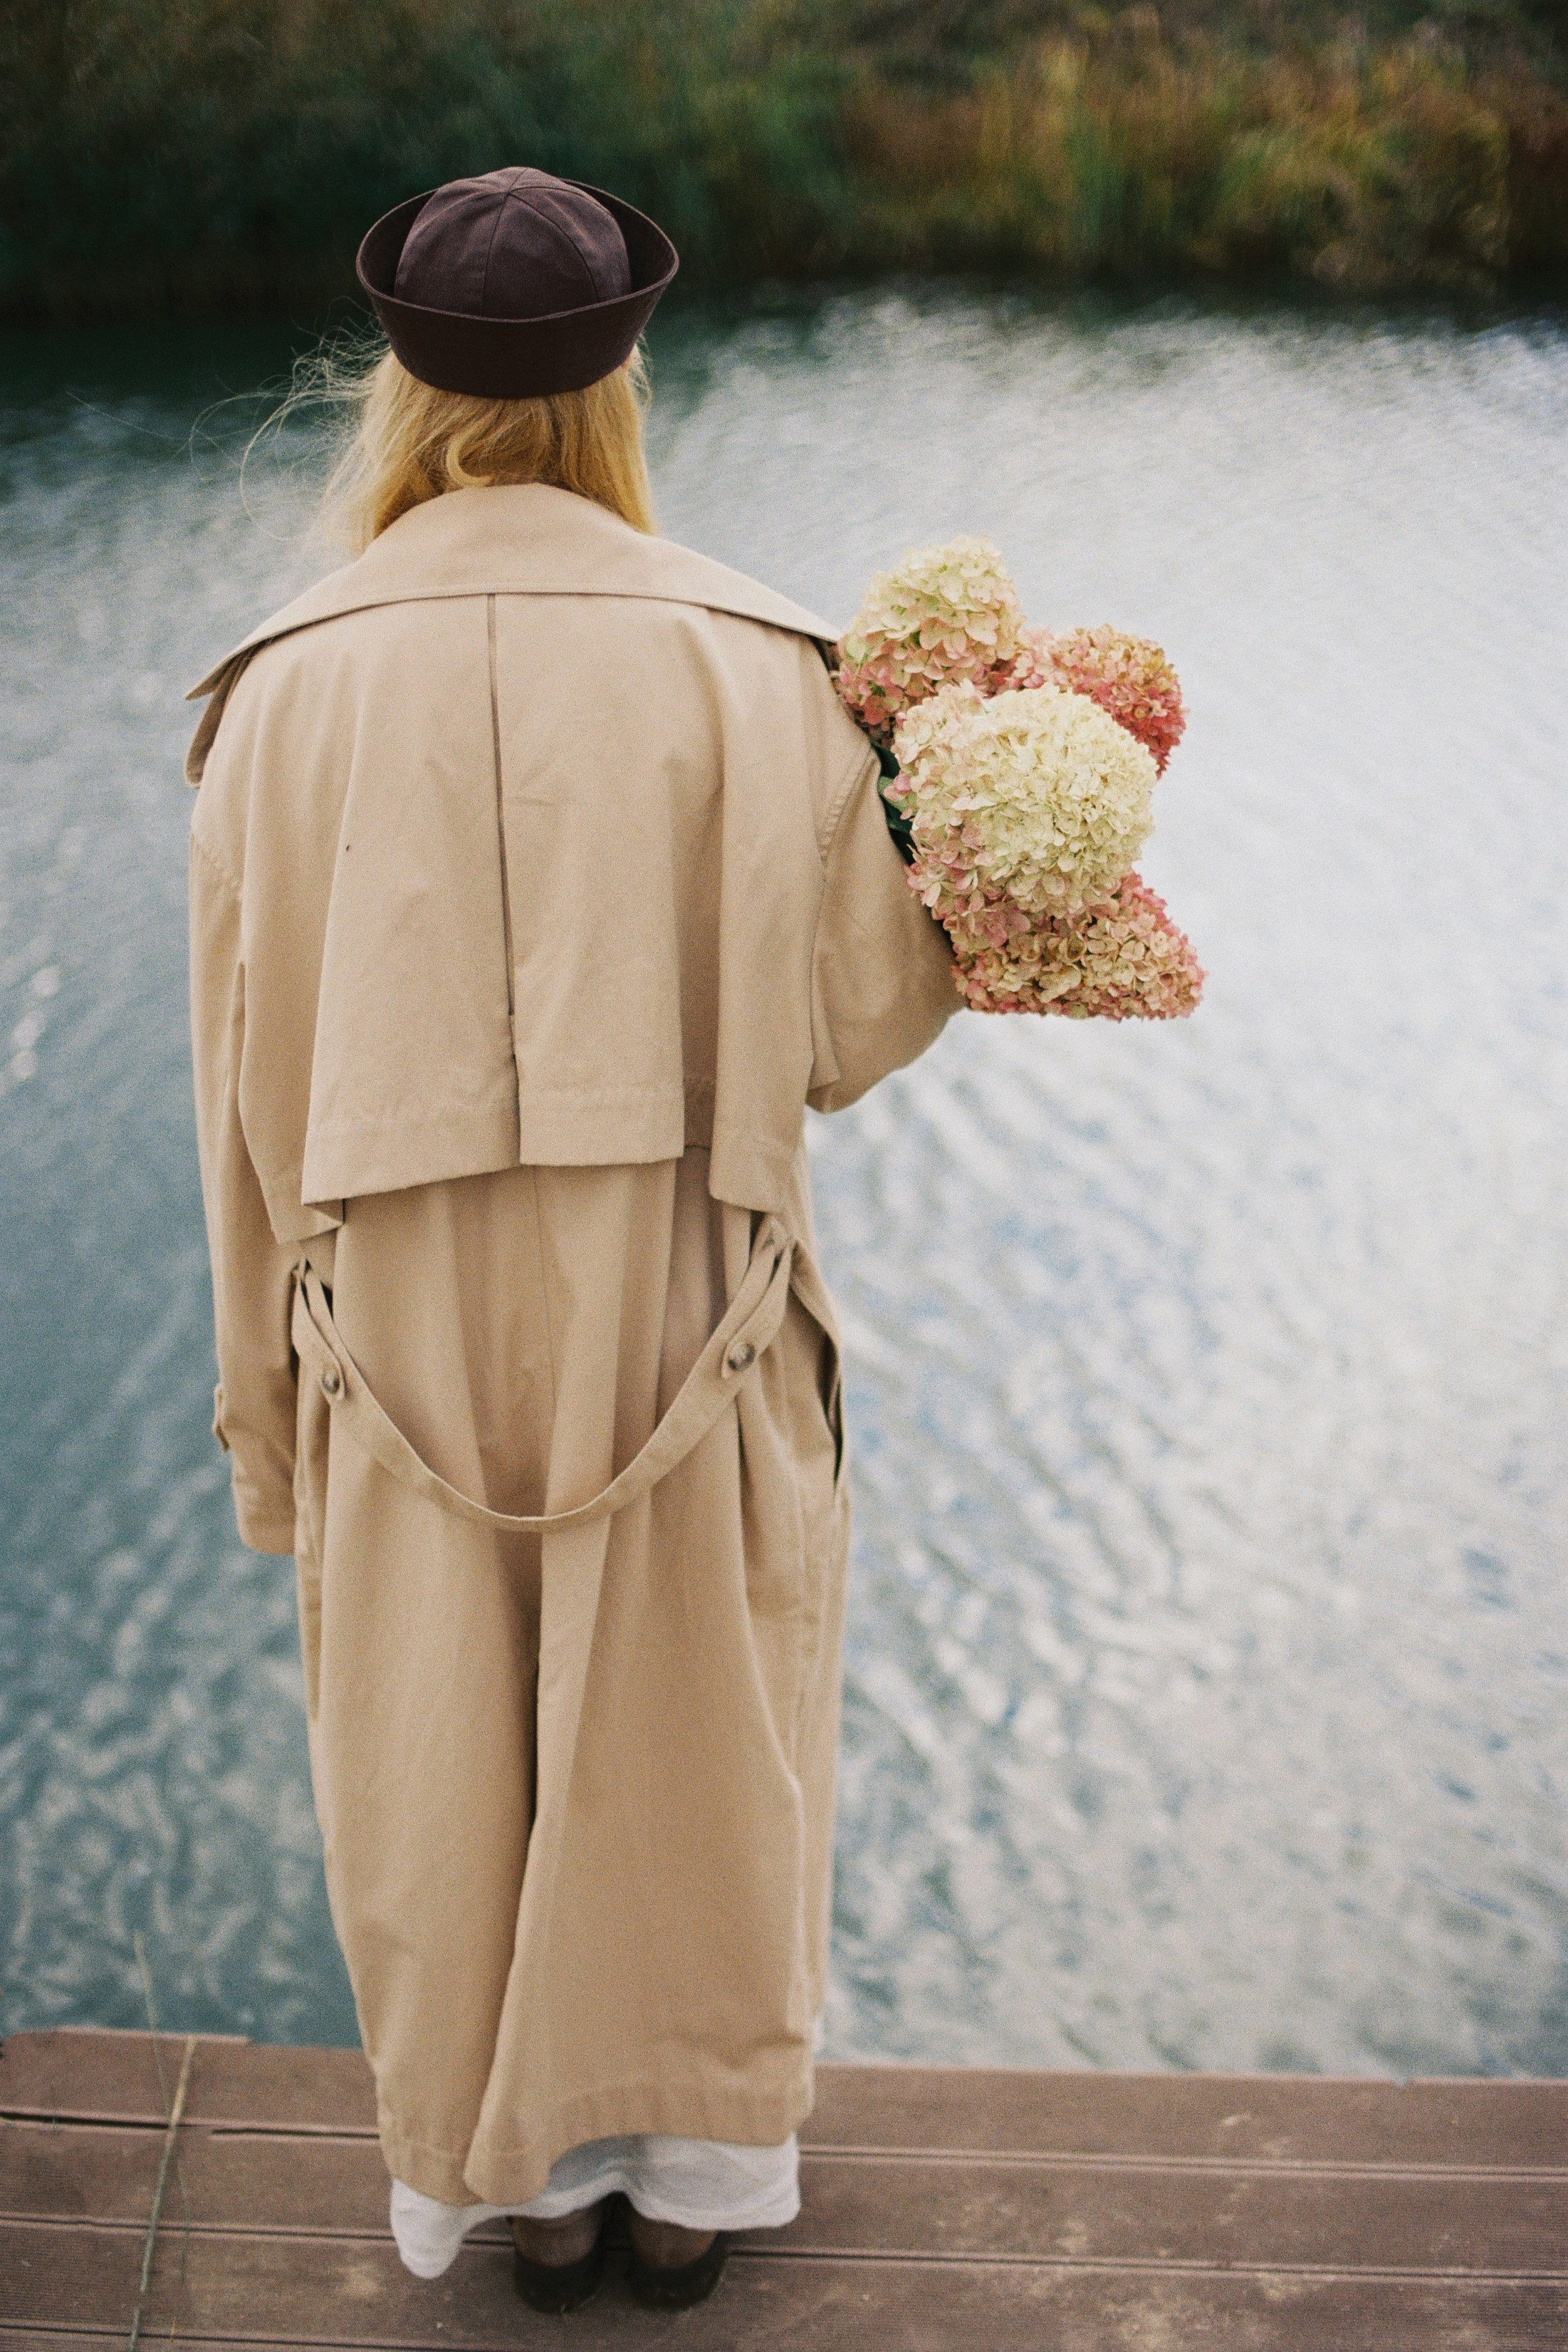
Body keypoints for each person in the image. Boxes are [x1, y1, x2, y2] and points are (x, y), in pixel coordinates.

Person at [186, 165, 957, 2315]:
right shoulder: (756, 659)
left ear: (399, 382)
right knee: (695, 1733)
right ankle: (692, 2192)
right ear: (622, 367)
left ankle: (500, 2190)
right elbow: (849, 1023)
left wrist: (269, 1420)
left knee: (436, 1753)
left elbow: (234, 1111)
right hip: (684, 1289)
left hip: (393, 1326)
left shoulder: (274, 694)